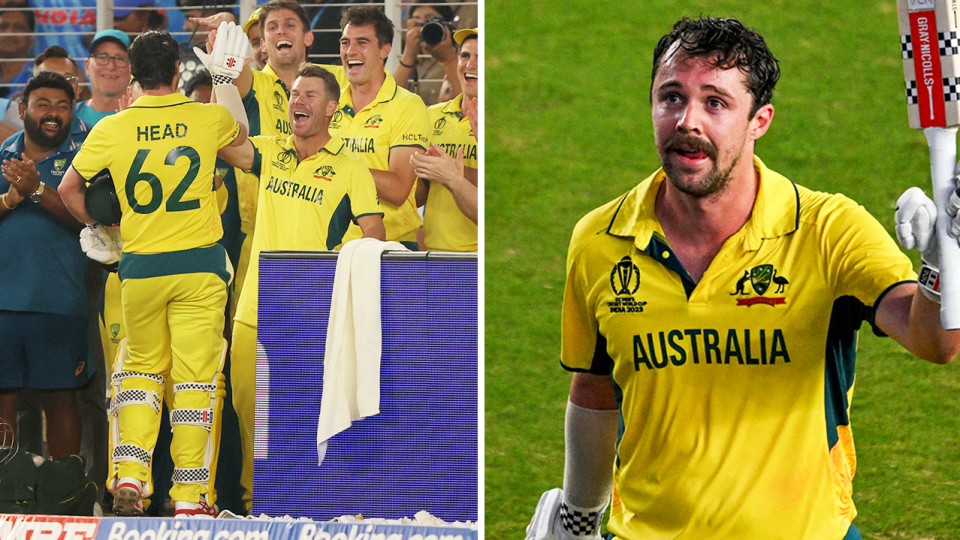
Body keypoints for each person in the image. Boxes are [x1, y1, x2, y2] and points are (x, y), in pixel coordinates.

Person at [526, 17, 960, 540]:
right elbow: (595, 389)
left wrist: (942, 262)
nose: (688, 121)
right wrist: (577, 515)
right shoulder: (600, 240)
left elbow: (935, 340)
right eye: (671, 97)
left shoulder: (826, 230)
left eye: (715, 102)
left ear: (760, 120)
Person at [58, 28, 248, 517]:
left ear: (134, 73)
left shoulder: (111, 128)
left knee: (139, 372)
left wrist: (103, 228)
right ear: (178, 70)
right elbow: (244, 145)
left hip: (139, 268)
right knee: (197, 381)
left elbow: (68, 190)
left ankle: (130, 476)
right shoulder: (207, 118)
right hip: (199, 268)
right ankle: (189, 497)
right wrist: (226, 79)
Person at [217, 66, 385, 503]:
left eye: (309, 94)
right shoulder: (271, 152)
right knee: (246, 410)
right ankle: (258, 506)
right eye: (293, 94)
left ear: (331, 108)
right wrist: (222, 82)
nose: (298, 101)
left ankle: (306, 503)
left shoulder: (351, 170)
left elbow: (375, 235)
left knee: (304, 415)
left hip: (314, 315)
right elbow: (227, 145)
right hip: (255, 305)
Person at [0, 71, 92, 461]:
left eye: (62, 106)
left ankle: (65, 494)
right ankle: (5, 493)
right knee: (2, 403)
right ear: (22, 109)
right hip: (3, 303)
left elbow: (93, 222)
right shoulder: (3, 152)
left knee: (61, 401)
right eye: (43, 105)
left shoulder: (87, 153)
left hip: (60, 302)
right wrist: (12, 197)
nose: (53, 114)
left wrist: (37, 191)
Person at [330, 5, 431, 247]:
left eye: (362, 42)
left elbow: (398, 189)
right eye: (345, 42)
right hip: (331, 247)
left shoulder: (407, 105)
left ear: (385, 50)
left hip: (391, 248)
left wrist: (334, 164)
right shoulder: (330, 103)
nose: (350, 51)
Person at [414, 27, 478, 252]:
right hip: (433, 254)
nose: (471, 65)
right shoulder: (432, 115)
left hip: (475, 257)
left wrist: (449, 171)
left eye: (481, 57)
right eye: (466, 56)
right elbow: (419, 197)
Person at [393, 0, 460, 107]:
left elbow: (466, 99)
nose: (423, 28)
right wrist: (408, 55)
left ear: (449, 25)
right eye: (418, 23)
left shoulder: (464, 56)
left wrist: (449, 58)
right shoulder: (411, 60)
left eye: (430, 20)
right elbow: (389, 100)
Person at [76, 29, 132, 127]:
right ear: (87, 66)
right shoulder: (70, 116)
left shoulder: (142, 116)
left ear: (132, 68)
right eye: (102, 57)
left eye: (120, 58)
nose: (111, 66)